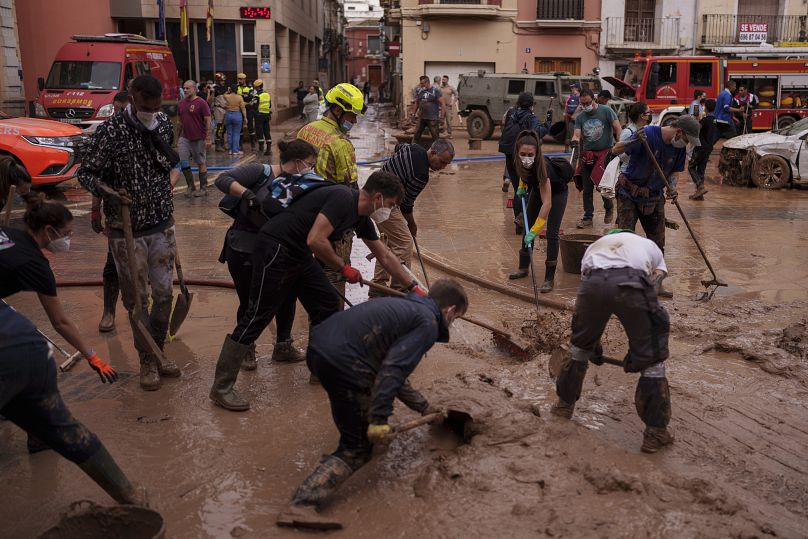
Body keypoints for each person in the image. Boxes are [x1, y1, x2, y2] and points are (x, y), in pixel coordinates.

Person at [208, 171, 426, 411]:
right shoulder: (343, 199)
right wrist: (344, 268)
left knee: (327, 304)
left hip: (298, 254)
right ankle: (222, 387)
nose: (390, 210)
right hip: (276, 249)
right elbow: (316, 240)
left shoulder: (362, 218)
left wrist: (413, 287)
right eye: (391, 204)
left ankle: (320, 368)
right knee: (258, 315)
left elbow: (385, 255)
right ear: (377, 197)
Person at [277, 279, 468, 528]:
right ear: (450, 310)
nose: (453, 323)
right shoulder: (428, 323)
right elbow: (394, 370)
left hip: (321, 350)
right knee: (358, 446)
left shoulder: (408, 306)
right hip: (345, 362)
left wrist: (423, 408)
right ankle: (300, 504)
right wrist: (379, 420)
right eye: (457, 318)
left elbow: (389, 373)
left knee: (361, 405)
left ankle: (362, 433)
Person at [0, 192, 146, 504]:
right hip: (32, 350)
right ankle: (132, 497)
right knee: (59, 424)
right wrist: (93, 356)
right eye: (66, 235)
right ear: (47, 231)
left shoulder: (8, 234)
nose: (68, 241)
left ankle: (30, 423)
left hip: (16, 345)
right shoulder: (36, 265)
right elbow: (61, 322)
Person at [78, 74, 182, 391]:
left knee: (164, 296)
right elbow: (85, 173)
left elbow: (171, 163)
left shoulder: (162, 125)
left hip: (161, 224)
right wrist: (108, 194)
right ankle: (147, 362)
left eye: (157, 106)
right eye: (146, 106)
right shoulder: (110, 132)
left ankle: (159, 350)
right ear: (133, 97)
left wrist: (171, 175)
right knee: (138, 301)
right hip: (126, 231)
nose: (152, 111)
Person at [551, 230, 674, 454]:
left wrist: (591, 345)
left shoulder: (595, 247)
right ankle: (655, 433)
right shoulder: (651, 246)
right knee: (654, 360)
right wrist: (641, 353)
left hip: (593, 283)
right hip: (632, 283)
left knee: (578, 349)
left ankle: (563, 407)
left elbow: (593, 291)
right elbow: (653, 284)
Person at [213, 141, 318, 371]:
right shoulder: (262, 172)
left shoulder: (301, 182)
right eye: (309, 164)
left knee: (288, 296)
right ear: (296, 161)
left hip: (280, 251)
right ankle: (245, 348)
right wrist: (246, 193)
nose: (311, 169)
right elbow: (221, 179)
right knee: (251, 301)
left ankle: (283, 346)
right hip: (245, 248)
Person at [611, 115, 700, 297]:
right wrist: (634, 140)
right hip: (629, 193)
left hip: (654, 195)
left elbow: (674, 172)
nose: (686, 144)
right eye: (686, 140)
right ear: (679, 132)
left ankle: (655, 284)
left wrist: (672, 189)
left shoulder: (679, 149)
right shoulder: (648, 134)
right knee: (625, 240)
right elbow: (615, 150)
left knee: (658, 244)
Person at [297, 83, 366, 307]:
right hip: (331, 222)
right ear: (337, 110)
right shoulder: (341, 143)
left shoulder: (306, 130)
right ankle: (332, 323)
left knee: (304, 275)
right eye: (351, 116)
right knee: (335, 274)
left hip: (300, 216)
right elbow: (351, 189)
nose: (354, 122)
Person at [371, 139, 455, 295]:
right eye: (442, 162)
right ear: (433, 153)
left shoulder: (414, 148)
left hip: (373, 192)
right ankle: (399, 290)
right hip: (384, 201)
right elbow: (406, 205)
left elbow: (398, 147)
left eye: (446, 165)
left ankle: (378, 287)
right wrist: (412, 225)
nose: (442, 167)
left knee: (388, 240)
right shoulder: (421, 174)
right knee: (404, 242)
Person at [507, 131, 568, 293]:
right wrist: (521, 187)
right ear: (517, 152)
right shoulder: (517, 161)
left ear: (537, 153)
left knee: (552, 233)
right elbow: (524, 173)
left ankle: (549, 278)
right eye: (523, 154)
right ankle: (523, 268)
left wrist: (535, 230)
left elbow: (547, 204)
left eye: (530, 155)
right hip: (536, 188)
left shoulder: (544, 168)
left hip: (557, 192)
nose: (526, 158)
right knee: (527, 225)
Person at [90, 91, 129, 333]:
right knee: (112, 264)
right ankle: (109, 312)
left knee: (146, 266)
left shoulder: (148, 132)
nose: (119, 115)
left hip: (147, 213)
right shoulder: (106, 135)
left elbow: (171, 166)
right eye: (116, 110)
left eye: (123, 110)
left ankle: (144, 312)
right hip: (115, 213)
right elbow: (95, 176)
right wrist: (95, 211)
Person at [499, 92, 552, 230]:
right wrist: (548, 123)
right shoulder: (530, 117)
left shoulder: (511, 112)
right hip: (521, 155)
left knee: (518, 188)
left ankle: (519, 223)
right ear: (532, 105)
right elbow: (537, 132)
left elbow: (503, 125)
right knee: (526, 189)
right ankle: (523, 219)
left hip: (508, 152)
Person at [572, 88, 622, 228]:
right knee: (587, 188)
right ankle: (588, 216)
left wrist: (620, 143)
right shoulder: (581, 117)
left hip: (605, 154)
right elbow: (576, 134)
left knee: (603, 185)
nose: (586, 106)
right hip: (588, 154)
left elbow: (617, 128)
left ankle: (609, 208)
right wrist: (574, 140)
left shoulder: (606, 111)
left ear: (594, 100)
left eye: (588, 103)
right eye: (583, 104)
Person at [177, 80, 212, 197]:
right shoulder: (181, 103)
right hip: (184, 137)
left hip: (199, 137)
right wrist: (177, 138)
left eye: (188, 88)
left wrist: (208, 137)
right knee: (183, 161)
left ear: (194, 89)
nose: (185, 90)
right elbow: (179, 122)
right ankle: (191, 187)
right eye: (184, 88)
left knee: (200, 162)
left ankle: (203, 188)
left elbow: (208, 119)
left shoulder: (201, 103)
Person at [688, 98, 718, 201]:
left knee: (691, 167)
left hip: (700, 147)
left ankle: (700, 186)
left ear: (705, 107)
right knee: (701, 169)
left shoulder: (705, 120)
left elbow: (696, 130)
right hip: (709, 147)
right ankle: (699, 195)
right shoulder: (714, 120)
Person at [618, 102, 651, 173]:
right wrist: (633, 146)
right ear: (642, 116)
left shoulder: (646, 129)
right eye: (649, 112)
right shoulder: (628, 132)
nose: (650, 115)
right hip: (628, 174)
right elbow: (621, 157)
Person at [412, 76, 446, 146]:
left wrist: (442, 117)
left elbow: (443, 104)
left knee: (435, 137)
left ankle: (438, 150)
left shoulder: (435, 91)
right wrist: (413, 114)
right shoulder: (420, 91)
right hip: (421, 118)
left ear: (428, 82)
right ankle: (413, 149)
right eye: (420, 83)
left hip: (432, 118)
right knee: (416, 135)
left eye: (423, 83)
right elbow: (417, 103)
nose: (421, 85)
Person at [223, 84, 247, 156]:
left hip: (228, 115)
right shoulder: (239, 97)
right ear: (237, 89)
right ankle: (235, 150)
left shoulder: (227, 96)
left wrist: (228, 91)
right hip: (237, 115)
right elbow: (243, 108)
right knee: (236, 133)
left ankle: (230, 150)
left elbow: (224, 94)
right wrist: (245, 117)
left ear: (230, 89)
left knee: (229, 133)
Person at [252, 79, 272, 156]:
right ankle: (269, 149)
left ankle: (261, 148)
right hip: (267, 115)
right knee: (267, 131)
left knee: (259, 131)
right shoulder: (267, 94)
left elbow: (254, 106)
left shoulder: (257, 96)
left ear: (257, 87)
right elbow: (270, 105)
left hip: (259, 116)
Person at [237, 73, 256, 150]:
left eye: (241, 79)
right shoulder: (236, 88)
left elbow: (249, 98)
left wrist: (241, 97)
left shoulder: (249, 88)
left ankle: (253, 144)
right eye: (239, 79)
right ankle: (240, 144)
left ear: (244, 79)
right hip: (239, 109)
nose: (240, 80)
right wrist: (244, 97)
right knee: (240, 127)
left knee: (250, 126)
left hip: (248, 109)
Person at [213, 72, 228, 152]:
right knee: (218, 127)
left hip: (224, 109)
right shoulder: (214, 88)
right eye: (222, 80)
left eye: (223, 80)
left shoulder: (225, 88)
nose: (223, 82)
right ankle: (217, 145)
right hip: (218, 109)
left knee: (223, 127)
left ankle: (222, 144)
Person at [564, 83, 581, 147]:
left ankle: (574, 148)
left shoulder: (580, 97)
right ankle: (567, 148)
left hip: (575, 117)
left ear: (577, 88)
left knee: (573, 132)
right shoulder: (570, 96)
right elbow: (566, 106)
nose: (571, 89)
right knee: (568, 132)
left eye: (573, 88)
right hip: (570, 116)